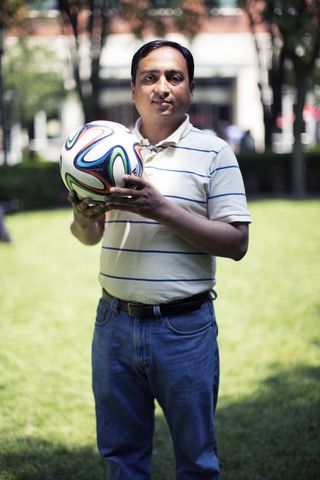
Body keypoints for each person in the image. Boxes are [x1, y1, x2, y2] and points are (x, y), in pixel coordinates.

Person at [68, 39, 251, 480]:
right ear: (134, 89)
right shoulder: (105, 149)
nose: (162, 87)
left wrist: (162, 209)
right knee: (122, 457)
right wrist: (82, 215)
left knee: (197, 461)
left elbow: (237, 242)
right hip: (113, 324)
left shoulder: (215, 153)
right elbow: (88, 237)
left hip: (184, 328)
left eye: (174, 77)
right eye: (150, 77)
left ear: (190, 88)